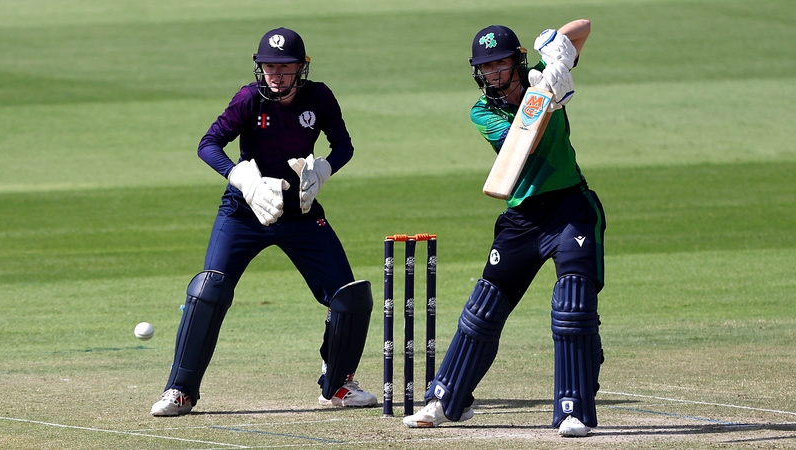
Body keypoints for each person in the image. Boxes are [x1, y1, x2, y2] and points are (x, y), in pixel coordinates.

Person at [150, 27, 377, 416]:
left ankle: (337, 385)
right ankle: (180, 391)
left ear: (300, 69)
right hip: (243, 212)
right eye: (269, 66)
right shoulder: (248, 99)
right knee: (209, 291)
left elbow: (344, 146)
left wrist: (322, 170)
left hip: (300, 213)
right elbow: (208, 144)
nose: (276, 74)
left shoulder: (318, 97)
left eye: (284, 67)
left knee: (349, 297)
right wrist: (242, 178)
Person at [403, 20, 605, 438]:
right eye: (486, 67)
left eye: (501, 64)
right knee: (483, 309)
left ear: (518, 62)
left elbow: (582, 28)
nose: (494, 74)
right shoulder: (483, 112)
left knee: (572, 306)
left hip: (570, 207)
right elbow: (524, 144)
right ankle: (447, 399)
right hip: (521, 217)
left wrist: (557, 51)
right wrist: (546, 98)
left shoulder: (546, 75)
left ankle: (574, 410)